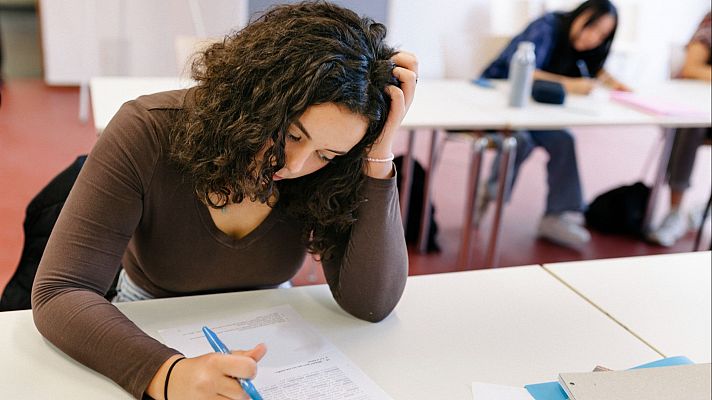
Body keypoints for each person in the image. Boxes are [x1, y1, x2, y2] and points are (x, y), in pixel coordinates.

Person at [31, 3, 417, 399]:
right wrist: (166, 373)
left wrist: (377, 154)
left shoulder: (333, 169)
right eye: (293, 135)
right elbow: (61, 290)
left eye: (326, 155)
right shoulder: (146, 129)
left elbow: (371, 303)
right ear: (258, 95)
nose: (295, 165)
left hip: (268, 328)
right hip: (144, 318)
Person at [477, 0, 629, 248]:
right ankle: (490, 193)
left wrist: (614, 83)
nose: (593, 38)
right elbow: (522, 70)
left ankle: (557, 215)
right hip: (498, 104)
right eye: (592, 27)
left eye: (603, 35)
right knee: (520, 141)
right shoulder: (547, 27)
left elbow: (595, 70)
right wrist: (571, 85)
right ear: (582, 15)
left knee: (564, 140)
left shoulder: (584, 46)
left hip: (538, 114)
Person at [648, 11, 711, 247]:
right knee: (690, 126)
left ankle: (705, 210)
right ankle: (674, 212)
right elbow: (691, 68)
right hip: (697, 112)